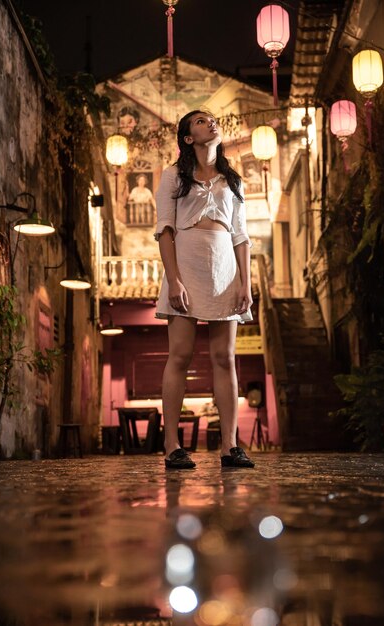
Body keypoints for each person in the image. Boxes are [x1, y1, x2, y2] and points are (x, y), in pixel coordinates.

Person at [154, 110, 255, 470]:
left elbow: (241, 236)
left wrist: (246, 281)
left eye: (212, 119)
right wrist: (174, 278)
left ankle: (230, 446)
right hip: (186, 266)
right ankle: (171, 446)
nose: (210, 122)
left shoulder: (233, 180)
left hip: (225, 268)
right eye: (200, 121)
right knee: (179, 355)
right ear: (187, 138)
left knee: (224, 358)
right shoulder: (172, 176)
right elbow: (165, 230)